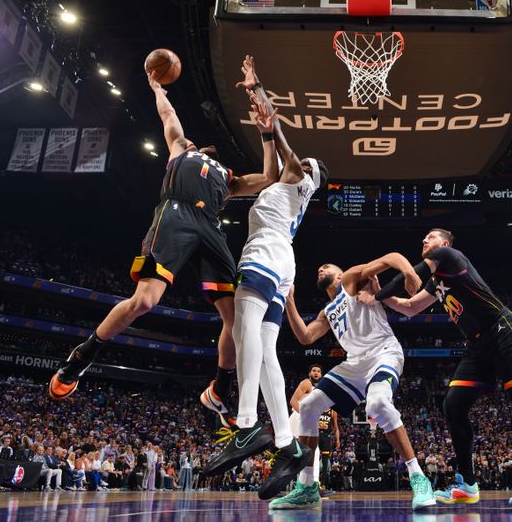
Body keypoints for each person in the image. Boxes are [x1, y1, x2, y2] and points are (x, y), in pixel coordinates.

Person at [48, 65, 281, 433]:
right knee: (144, 302)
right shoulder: (180, 148)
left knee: (237, 321)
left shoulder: (228, 178)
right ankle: (81, 357)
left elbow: (270, 176)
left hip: (210, 227)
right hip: (176, 214)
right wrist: (157, 87)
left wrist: (267, 134)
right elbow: (168, 114)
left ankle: (219, 391)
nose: (209, 150)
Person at [201, 56, 328, 503]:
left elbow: (284, 150)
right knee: (267, 348)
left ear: (308, 175)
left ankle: (245, 421)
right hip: (281, 260)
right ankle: (285, 445)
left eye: (304, 163)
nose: (298, 162)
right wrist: (263, 134)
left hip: (265, 252)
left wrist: (258, 91)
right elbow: (270, 165)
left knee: (242, 328)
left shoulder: (299, 180)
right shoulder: (282, 187)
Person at [359, 228, 512, 510]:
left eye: (430, 237)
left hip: (502, 331)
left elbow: (407, 277)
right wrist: (378, 295)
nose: (424, 240)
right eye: (423, 238)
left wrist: (377, 297)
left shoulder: (449, 256)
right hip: (477, 345)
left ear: (444, 243)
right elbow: (411, 307)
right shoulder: (437, 280)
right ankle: (466, 484)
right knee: (453, 405)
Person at [269, 256, 435, 510]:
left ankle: (418, 477)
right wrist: (289, 301)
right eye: (319, 267)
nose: (320, 267)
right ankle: (306, 487)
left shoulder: (350, 280)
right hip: (355, 364)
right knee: (309, 405)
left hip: (383, 352)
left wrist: (410, 273)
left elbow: (391, 257)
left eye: (327, 265)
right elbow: (305, 336)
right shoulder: (327, 311)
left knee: (378, 404)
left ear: (338, 275)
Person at [288, 365, 339, 489]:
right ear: (310, 373)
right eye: (314, 371)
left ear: (321, 375)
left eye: (318, 371)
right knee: (305, 450)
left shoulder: (320, 389)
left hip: (307, 419)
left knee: (309, 451)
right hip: (298, 417)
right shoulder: (306, 383)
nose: (316, 373)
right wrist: (305, 415)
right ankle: (310, 483)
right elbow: (293, 401)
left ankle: (310, 483)